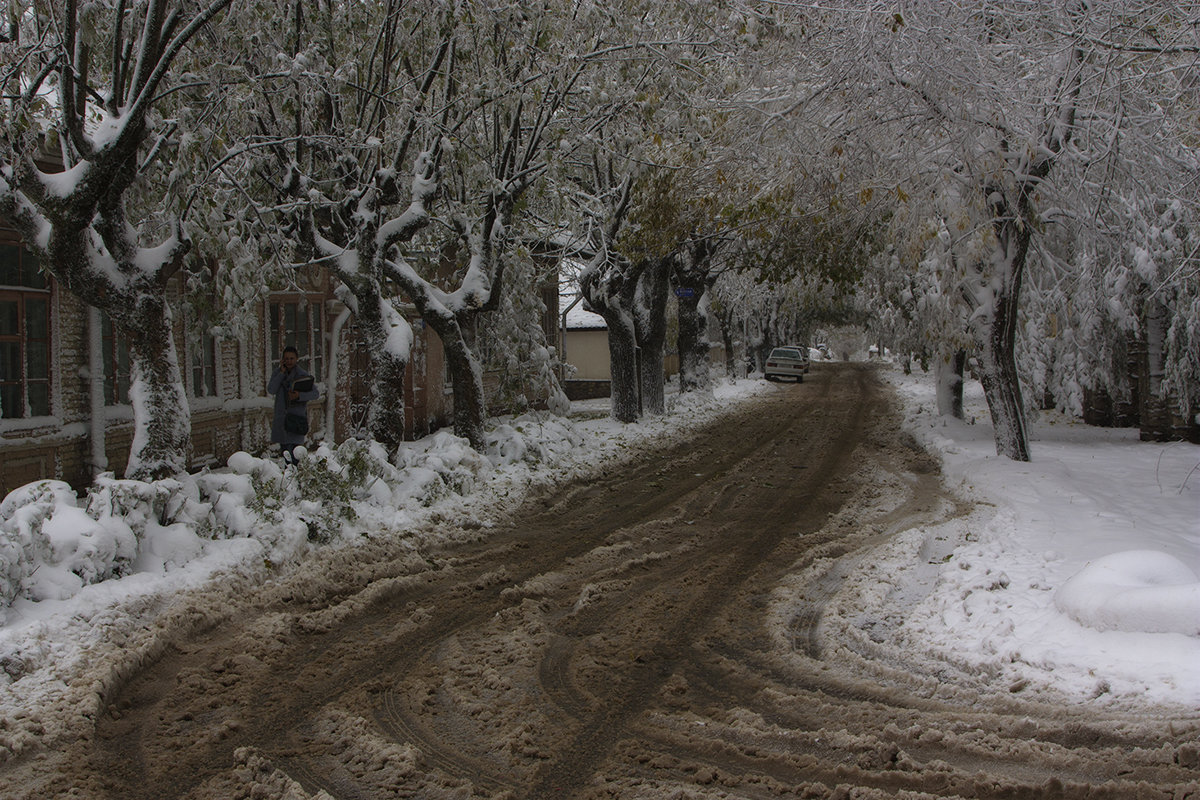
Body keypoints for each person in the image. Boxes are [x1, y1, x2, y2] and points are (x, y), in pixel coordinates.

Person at [268, 345, 319, 463]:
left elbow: (315, 393)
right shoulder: (278, 373)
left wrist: (299, 396)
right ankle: (289, 478)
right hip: (282, 420)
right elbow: (271, 389)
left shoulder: (302, 375)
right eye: (286, 358)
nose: (289, 361)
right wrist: (281, 373)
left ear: (296, 359)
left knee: (296, 455)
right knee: (285, 453)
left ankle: (297, 478)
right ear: (282, 360)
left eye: (291, 358)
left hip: (296, 420)